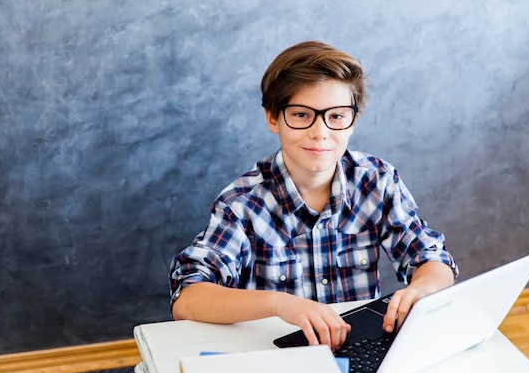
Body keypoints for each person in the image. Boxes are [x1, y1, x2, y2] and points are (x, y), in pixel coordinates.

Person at [168, 40, 458, 351]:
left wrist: (421, 290)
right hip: (278, 354)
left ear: (353, 121)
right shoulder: (242, 204)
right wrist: (282, 304)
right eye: (302, 115)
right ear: (273, 118)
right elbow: (188, 298)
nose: (320, 132)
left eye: (336, 116)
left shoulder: (377, 180)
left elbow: (432, 258)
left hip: (358, 345)